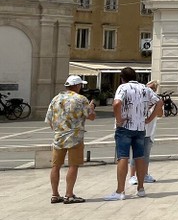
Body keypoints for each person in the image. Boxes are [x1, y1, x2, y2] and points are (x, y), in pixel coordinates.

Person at [105, 67, 161, 201]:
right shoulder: (144, 88)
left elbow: (117, 103)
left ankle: (120, 190)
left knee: (123, 157)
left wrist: (119, 120)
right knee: (139, 157)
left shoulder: (123, 87)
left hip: (125, 127)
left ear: (122, 78)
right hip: (140, 127)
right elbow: (159, 102)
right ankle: (141, 188)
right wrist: (150, 118)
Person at [46, 75, 97, 204]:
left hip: (59, 136)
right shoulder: (81, 99)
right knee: (73, 165)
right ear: (77, 86)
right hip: (75, 137)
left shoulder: (56, 99)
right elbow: (91, 116)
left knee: (55, 166)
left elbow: (49, 120)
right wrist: (91, 107)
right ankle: (69, 194)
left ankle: (55, 194)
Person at [128, 80, 159, 187]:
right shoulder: (140, 99)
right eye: (148, 87)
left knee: (146, 154)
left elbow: (160, 113)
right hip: (139, 130)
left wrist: (155, 103)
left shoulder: (156, 100)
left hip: (149, 131)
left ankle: (144, 174)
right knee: (136, 154)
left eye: (152, 88)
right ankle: (132, 176)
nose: (149, 90)